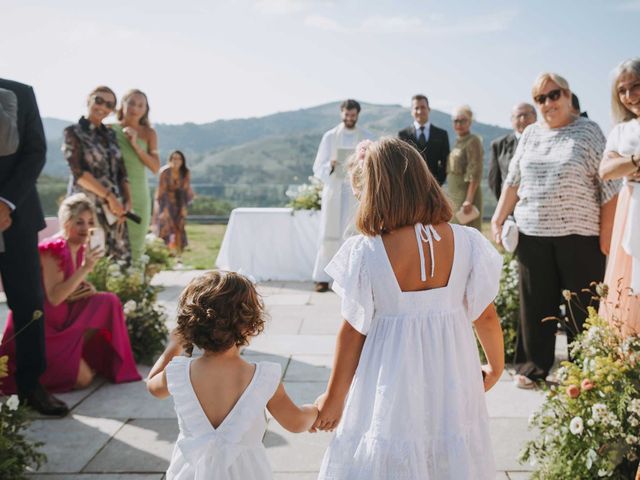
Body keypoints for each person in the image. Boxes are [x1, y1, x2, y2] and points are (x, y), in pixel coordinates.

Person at [312, 137, 504, 479]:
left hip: (391, 377)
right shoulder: (467, 241)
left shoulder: (367, 252)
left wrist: (334, 398)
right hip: (453, 375)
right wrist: (495, 366)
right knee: (450, 447)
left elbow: (353, 332)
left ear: (376, 194)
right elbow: (486, 316)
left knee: (391, 447)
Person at [491, 73, 620, 389]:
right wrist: (497, 218)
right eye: (541, 98)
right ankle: (532, 367)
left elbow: (610, 187)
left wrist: (606, 235)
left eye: (554, 94)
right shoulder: (531, 134)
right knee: (535, 305)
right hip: (533, 233)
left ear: (568, 94)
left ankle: (585, 369)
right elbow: (513, 179)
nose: (549, 102)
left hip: (581, 236)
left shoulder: (588, 132)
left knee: (582, 307)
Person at [146, 270, 318, 479]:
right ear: (250, 325)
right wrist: (316, 411)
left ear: (189, 325)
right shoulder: (263, 377)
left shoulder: (178, 373)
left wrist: (173, 346)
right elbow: (296, 422)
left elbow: (152, 387)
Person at [0, 194, 141, 394]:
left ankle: (79, 354)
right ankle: (56, 365)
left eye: (90, 222)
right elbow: (55, 298)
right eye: (79, 222)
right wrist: (85, 268)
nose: (86, 228)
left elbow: (67, 284)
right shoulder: (53, 249)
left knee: (108, 301)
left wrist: (86, 286)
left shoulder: (80, 248)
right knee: (84, 380)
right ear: (66, 223)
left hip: (65, 318)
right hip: (45, 327)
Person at [0, 78, 69, 416]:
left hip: (17, 216)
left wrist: (5, 202)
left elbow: (35, 151)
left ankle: (31, 387)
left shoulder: (21, 92)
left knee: (28, 303)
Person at [63, 86, 132, 263]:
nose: (103, 107)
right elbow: (78, 172)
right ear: (89, 100)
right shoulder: (73, 132)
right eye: (99, 100)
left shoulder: (111, 134)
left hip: (115, 208)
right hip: (87, 206)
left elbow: (121, 171)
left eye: (109, 104)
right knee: (90, 259)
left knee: (118, 263)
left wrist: (127, 200)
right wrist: (109, 197)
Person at [312, 99, 374, 292]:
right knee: (329, 234)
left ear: (358, 115)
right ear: (341, 114)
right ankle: (323, 277)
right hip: (334, 191)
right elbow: (317, 167)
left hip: (355, 192)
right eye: (346, 115)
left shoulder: (366, 136)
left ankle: (352, 277)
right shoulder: (330, 137)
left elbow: (374, 163)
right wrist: (330, 166)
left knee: (354, 233)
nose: (349, 118)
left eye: (353, 115)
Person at [598, 58, 640, 334]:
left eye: (635, 86)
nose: (629, 96)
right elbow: (606, 170)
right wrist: (635, 160)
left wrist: (625, 163)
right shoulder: (622, 131)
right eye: (622, 90)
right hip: (632, 208)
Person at [113, 89, 160, 262]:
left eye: (141, 105)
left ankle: (135, 285)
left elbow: (155, 167)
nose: (135, 108)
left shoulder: (149, 133)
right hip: (114, 193)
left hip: (139, 193)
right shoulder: (110, 129)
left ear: (146, 109)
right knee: (113, 246)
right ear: (123, 104)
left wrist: (135, 144)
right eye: (131, 103)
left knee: (136, 247)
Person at [398, 94, 450, 185]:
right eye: (416, 108)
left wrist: (437, 183)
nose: (419, 111)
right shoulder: (403, 135)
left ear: (429, 109)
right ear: (411, 111)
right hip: (410, 186)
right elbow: (400, 162)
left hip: (434, 186)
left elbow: (445, 162)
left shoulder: (441, 134)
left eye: (423, 107)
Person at [488, 103, 537, 201]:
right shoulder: (499, 145)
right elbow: (494, 180)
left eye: (526, 115)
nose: (522, 119)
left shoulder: (545, 141)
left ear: (535, 117)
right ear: (512, 120)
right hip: (510, 210)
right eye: (518, 116)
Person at [447, 105, 484, 230]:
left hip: (466, 196)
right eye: (456, 121)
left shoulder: (473, 140)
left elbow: (475, 170)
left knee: (467, 233)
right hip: (454, 195)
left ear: (470, 122)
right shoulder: (458, 141)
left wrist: (469, 199)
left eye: (463, 120)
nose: (459, 124)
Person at [153, 150, 194, 256]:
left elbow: (185, 191)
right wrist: (162, 208)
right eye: (174, 158)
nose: (176, 161)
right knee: (165, 226)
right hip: (165, 202)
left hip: (179, 202)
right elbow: (162, 191)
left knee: (179, 227)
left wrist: (184, 207)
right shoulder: (164, 172)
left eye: (179, 158)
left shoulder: (185, 172)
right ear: (170, 160)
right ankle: (164, 253)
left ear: (182, 161)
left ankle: (178, 254)